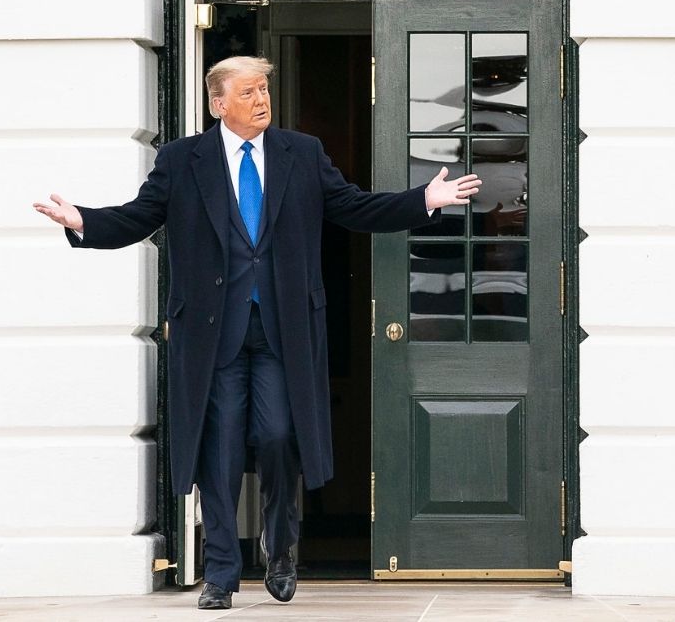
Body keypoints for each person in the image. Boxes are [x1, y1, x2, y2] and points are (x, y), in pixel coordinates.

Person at [33, 56, 481, 610]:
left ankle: (281, 547)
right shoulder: (181, 160)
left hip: (281, 330)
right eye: (248, 92)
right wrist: (84, 221)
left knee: (275, 438)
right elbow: (139, 216)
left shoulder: (302, 152)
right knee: (218, 452)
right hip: (211, 334)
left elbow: (352, 206)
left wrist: (423, 202)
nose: (261, 100)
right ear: (219, 103)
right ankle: (221, 572)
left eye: (265, 89)